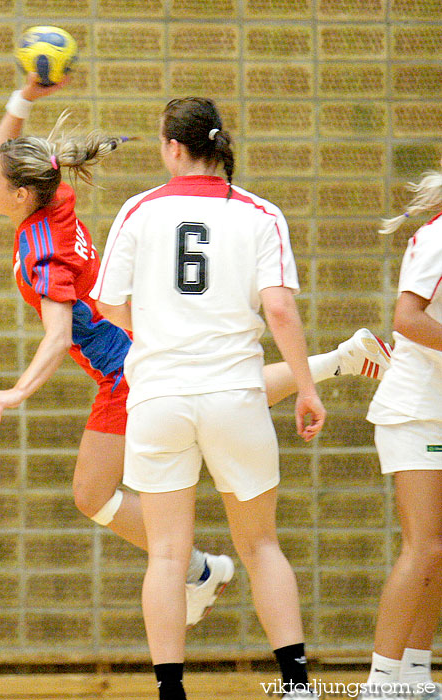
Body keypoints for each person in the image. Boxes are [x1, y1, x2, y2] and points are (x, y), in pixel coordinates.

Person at [0, 75, 391, 634]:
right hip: (142, 356)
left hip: (124, 371)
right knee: (228, 390)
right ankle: (335, 362)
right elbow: (7, 155)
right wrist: (22, 100)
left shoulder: (45, 253)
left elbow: (58, 336)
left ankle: (195, 570)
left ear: (20, 194)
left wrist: (18, 391)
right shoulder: (55, 196)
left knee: (92, 494)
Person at [91, 97, 326, 700]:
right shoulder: (260, 213)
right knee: (261, 544)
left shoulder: (137, 210)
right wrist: (303, 386)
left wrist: (162, 343)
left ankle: (171, 691)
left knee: (167, 555)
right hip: (235, 396)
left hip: (159, 398)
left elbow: (110, 308)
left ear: (173, 147)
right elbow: (279, 308)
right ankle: (296, 685)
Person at [358, 163, 442, 700]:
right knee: (425, 547)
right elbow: (407, 318)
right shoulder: (438, 237)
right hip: (417, 412)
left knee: (439, 549)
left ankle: (414, 673)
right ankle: (382, 681)